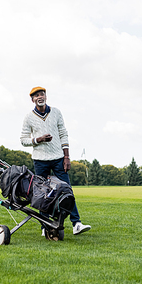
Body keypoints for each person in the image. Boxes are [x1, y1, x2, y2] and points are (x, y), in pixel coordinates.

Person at [20, 86, 91, 235]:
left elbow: (63, 134)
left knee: (67, 190)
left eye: (42, 94)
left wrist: (67, 156)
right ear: (32, 99)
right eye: (36, 95)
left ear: (46, 97)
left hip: (59, 158)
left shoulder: (56, 112)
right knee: (42, 194)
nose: (40, 97)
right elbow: (23, 140)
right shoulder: (28, 117)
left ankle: (76, 223)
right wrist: (38, 139)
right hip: (40, 160)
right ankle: (45, 227)